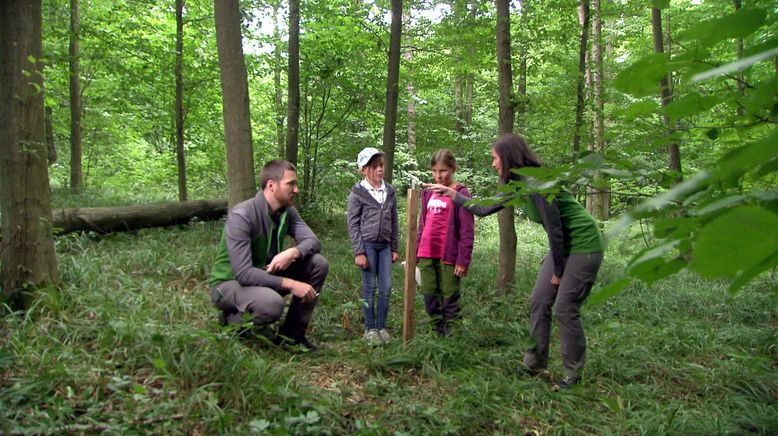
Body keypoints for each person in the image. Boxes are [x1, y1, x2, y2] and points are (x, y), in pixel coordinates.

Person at [424, 133, 604, 389]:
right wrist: (450, 193)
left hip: (583, 245)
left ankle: (572, 374)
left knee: (565, 308)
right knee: (539, 301)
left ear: (508, 157)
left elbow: (555, 228)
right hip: (563, 247)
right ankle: (534, 363)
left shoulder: (537, 183)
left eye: (495, 158)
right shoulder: (517, 184)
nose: (493, 163)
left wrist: (559, 271)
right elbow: (483, 208)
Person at [209, 160, 328, 352]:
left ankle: (291, 337)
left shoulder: (287, 212)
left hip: (264, 275)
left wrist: (293, 252)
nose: (296, 190)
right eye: (291, 184)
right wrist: (291, 284)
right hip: (228, 284)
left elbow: (313, 242)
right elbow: (244, 273)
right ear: (271, 185)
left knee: (317, 263)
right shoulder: (242, 215)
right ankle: (230, 322)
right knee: (272, 304)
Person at [416, 149, 474, 336]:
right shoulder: (428, 193)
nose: (438, 176)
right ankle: (436, 333)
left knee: (449, 295)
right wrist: (416, 252)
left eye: (443, 171)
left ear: (453, 169)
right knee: (429, 294)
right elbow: (422, 224)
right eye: (434, 171)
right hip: (426, 253)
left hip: (448, 255)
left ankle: (453, 337)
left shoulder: (460, 193)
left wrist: (463, 260)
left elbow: (467, 230)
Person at [347, 147, 399, 345]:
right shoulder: (358, 193)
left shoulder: (390, 191)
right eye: (374, 166)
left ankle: (381, 326)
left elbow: (394, 221)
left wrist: (394, 247)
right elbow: (352, 224)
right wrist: (359, 251)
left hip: (385, 246)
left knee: (386, 287)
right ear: (364, 169)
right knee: (370, 287)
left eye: (381, 166)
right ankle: (370, 329)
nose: (379, 170)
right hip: (367, 246)